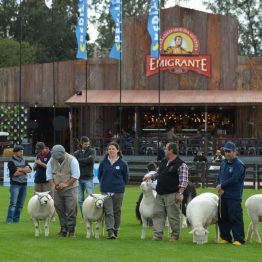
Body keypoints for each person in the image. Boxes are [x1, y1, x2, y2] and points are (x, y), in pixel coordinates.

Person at [144, 142, 188, 241]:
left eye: (166, 149)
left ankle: (175, 235)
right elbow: (158, 172)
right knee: (157, 214)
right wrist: (151, 176)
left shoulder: (181, 164)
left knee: (173, 216)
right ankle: (157, 235)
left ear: (171, 150)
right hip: (160, 193)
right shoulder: (164, 161)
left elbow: (183, 181)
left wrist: (180, 193)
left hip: (172, 194)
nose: (164, 150)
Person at [216, 141, 246, 246]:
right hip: (223, 195)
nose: (227, 153)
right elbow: (219, 176)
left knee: (235, 217)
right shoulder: (223, 163)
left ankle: (239, 239)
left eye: (229, 151)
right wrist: (218, 185)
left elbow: (235, 179)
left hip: (234, 196)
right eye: (225, 151)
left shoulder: (239, 165)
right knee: (222, 217)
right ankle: (226, 237)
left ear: (234, 152)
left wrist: (222, 186)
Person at [46, 145, 80, 237]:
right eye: (56, 157)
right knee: (59, 209)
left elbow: (76, 175)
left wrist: (66, 184)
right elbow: (49, 174)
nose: (57, 159)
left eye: (59, 157)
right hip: (57, 189)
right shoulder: (52, 160)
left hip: (71, 189)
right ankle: (63, 229)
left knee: (71, 209)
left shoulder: (72, 160)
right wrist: (53, 185)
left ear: (63, 153)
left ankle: (71, 230)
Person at [98, 141, 129, 239]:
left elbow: (126, 178)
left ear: (118, 150)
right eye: (109, 149)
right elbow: (100, 176)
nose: (111, 150)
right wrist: (105, 184)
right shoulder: (103, 162)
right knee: (108, 211)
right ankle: (110, 231)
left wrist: (120, 186)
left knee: (117, 211)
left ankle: (115, 229)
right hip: (106, 191)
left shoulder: (123, 163)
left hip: (118, 191)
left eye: (113, 149)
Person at [6, 145, 32, 224]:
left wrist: (20, 169)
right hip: (15, 185)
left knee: (20, 204)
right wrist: (25, 170)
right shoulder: (11, 162)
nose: (22, 153)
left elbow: (30, 170)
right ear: (16, 152)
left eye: (22, 151)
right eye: (20, 151)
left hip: (24, 184)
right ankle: (9, 220)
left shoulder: (24, 160)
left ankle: (16, 220)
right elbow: (15, 173)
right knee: (13, 204)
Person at [73, 136, 96, 216]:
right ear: (81, 143)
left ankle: (93, 215)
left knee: (91, 198)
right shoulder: (76, 153)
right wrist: (85, 161)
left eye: (88, 144)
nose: (87, 145)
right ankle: (84, 217)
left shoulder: (92, 151)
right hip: (78, 179)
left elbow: (90, 160)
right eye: (85, 144)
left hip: (88, 178)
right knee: (80, 199)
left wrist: (79, 161)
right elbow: (75, 164)